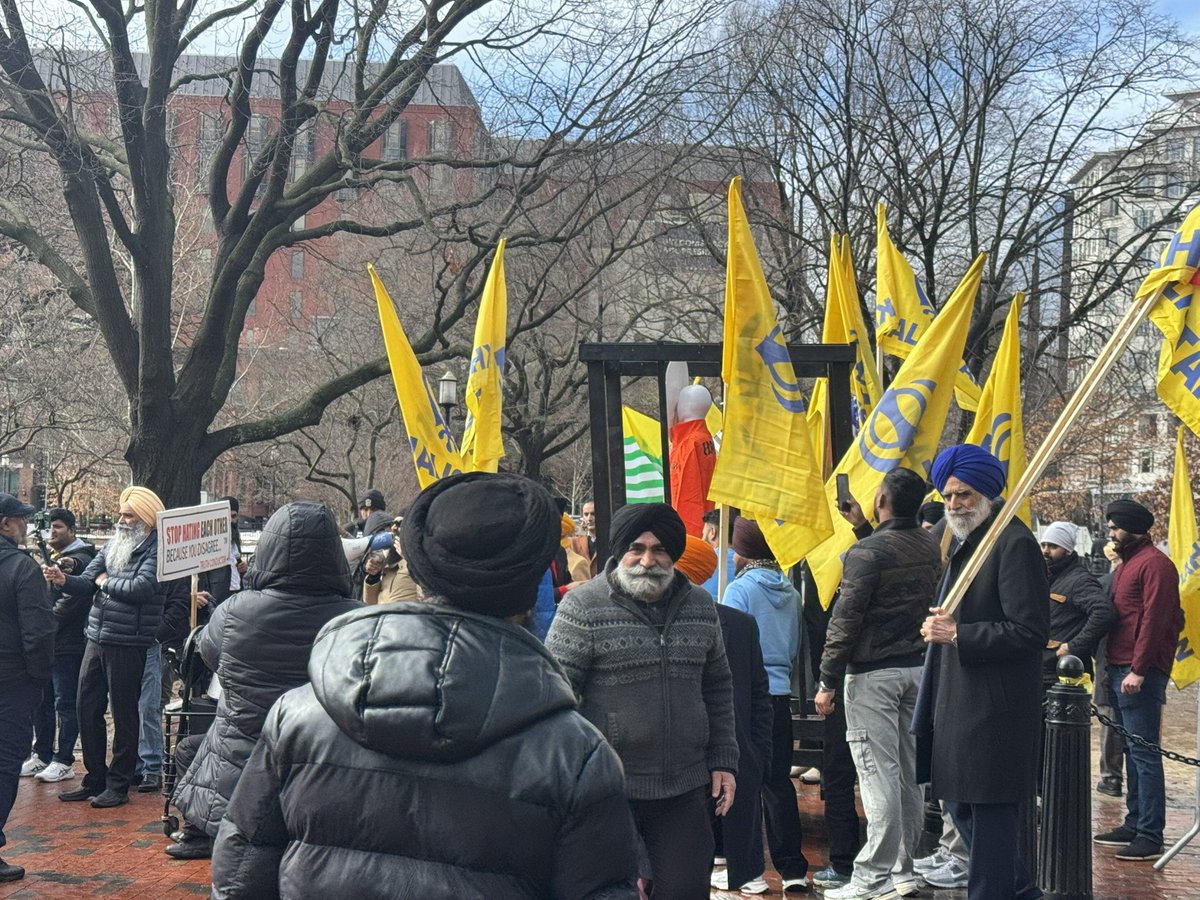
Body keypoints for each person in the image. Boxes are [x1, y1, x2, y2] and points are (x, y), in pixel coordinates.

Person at [210, 473, 639, 899]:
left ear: (418, 574)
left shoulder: (297, 717)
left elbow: (241, 874)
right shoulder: (574, 754)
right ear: (531, 592)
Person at [547, 502, 738, 899]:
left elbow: (718, 686)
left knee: (686, 889)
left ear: (674, 554)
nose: (647, 561)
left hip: (683, 784)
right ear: (620, 551)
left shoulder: (700, 606)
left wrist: (724, 759)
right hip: (606, 790)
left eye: (659, 550)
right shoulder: (583, 607)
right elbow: (555, 697)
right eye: (636, 549)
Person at [167, 501, 361, 859]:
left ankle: (202, 832)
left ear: (268, 549)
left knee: (193, 749)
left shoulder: (235, 610)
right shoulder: (358, 619)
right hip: (325, 752)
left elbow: (209, 656)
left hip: (243, 744)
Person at [916, 444, 1048, 900]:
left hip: (993, 710)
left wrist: (958, 634)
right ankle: (1021, 892)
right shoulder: (970, 542)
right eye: (948, 496)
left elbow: (1030, 630)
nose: (954, 504)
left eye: (964, 495)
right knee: (960, 806)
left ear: (987, 495)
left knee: (987, 816)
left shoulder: (1013, 543)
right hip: (961, 703)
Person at [815, 468, 940, 900]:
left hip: (872, 677)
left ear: (881, 499)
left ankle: (872, 877)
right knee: (907, 776)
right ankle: (902, 870)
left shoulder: (867, 554)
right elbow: (891, 560)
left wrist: (827, 679)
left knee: (876, 775)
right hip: (916, 670)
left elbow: (844, 621)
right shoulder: (929, 544)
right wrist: (862, 529)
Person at [44, 486, 184, 808]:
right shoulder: (113, 544)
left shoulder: (159, 549)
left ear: (146, 519)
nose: (121, 520)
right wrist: (63, 580)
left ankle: (119, 785)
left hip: (129, 642)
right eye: (121, 514)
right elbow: (87, 581)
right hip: (96, 636)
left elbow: (141, 588)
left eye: (128, 515)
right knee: (86, 707)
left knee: (124, 714)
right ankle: (95, 778)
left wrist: (105, 583)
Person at [720, 517, 808, 893]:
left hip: (746, 697)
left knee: (743, 783)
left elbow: (725, 648)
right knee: (778, 783)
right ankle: (794, 869)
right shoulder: (792, 593)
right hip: (780, 696)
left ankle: (749, 871)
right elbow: (795, 646)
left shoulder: (739, 590)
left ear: (743, 551)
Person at [1092, 499, 1182, 861]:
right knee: (1131, 750)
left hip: (1137, 671)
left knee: (1145, 753)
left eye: (1115, 527)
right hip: (1119, 667)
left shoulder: (1156, 565)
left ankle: (1149, 833)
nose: (1111, 533)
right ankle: (1134, 822)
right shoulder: (1128, 564)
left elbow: (1155, 621)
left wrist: (1140, 669)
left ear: (1132, 528)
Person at [0, 493, 55, 884]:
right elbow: (38, 632)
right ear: (5, 523)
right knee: (5, 764)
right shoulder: (22, 568)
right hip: (12, 682)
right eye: (21, 519)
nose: (26, 526)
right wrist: (38, 679)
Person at [21, 508, 96, 784]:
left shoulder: (82, 558)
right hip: (50, 643)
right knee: (42, 701)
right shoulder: (53, 556)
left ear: (72, 530)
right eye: (50, 527)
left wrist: (43, 623)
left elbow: (71, 599)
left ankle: (63, 759)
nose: (53, 532)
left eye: (59, 527)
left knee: (65, 702)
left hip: (68, 643)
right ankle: (41, 753)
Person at [1039, 521, 1115, 686]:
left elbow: (1104, 612)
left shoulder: (1079, 580)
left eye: (1053, 546)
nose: (1045, 550)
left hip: (1065, 673)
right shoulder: (1045, 577)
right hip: (1045, 670)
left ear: (1067, 550)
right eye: (1043, 545)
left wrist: (1073, 647)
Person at [363, 516, 420, 604]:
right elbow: (370, 602)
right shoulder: (388, 561)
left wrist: (409, 558)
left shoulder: (421, 560)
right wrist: (374, 577)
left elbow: (426, 596)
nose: (393, 528)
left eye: (399, 524)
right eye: (393, 524)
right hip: (384, 612)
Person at [700, 509, 736, 600]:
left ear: (712, 532)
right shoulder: (746, 562)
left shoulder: (702, 560)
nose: (702, 538)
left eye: (703, 533)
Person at [568, 500, 598, 578]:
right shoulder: (573, 542)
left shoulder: (609, 540)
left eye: (593, 514)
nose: (589, 518)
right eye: (586, 514)